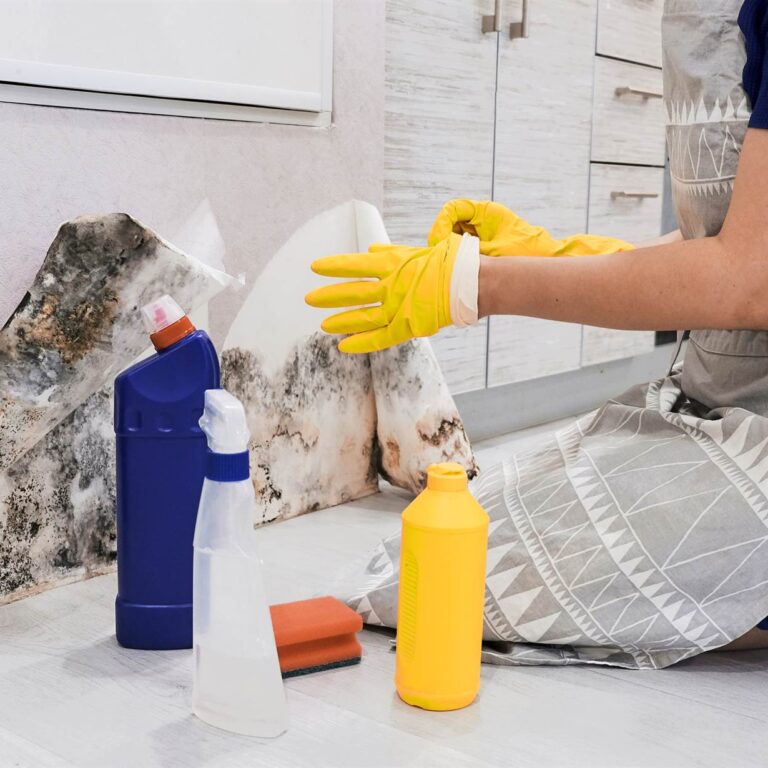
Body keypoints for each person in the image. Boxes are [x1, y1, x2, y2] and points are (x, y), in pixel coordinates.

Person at [307, 0, 768, 665]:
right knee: (425, 556)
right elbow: (725, 237)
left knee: (455, 586)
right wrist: (555, 255)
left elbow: (752, 279)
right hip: (717, 404)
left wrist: (484, 286)